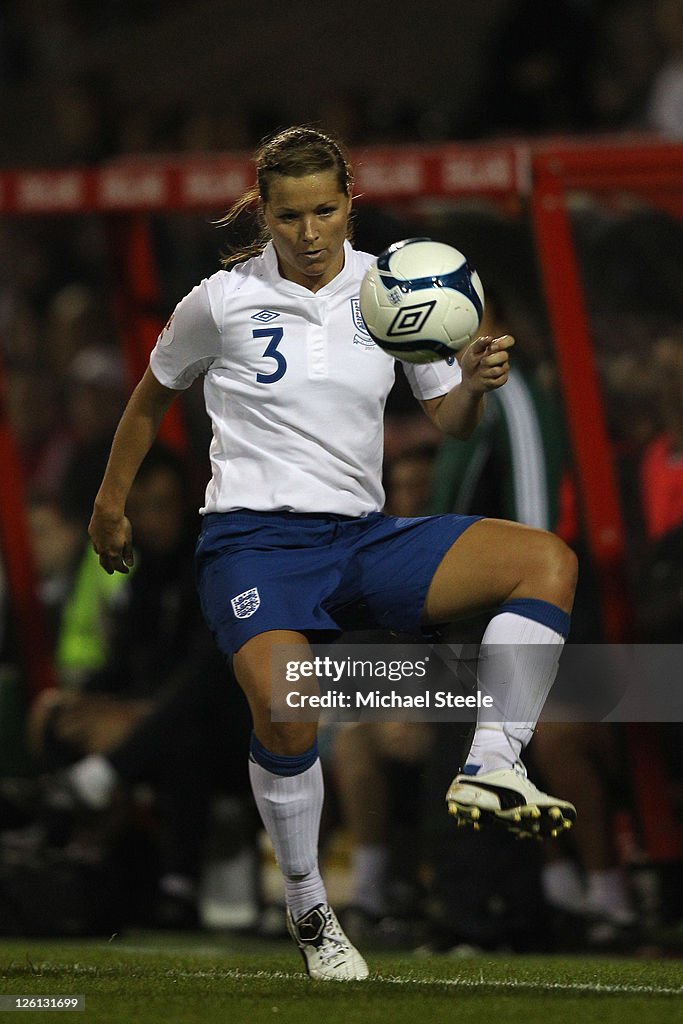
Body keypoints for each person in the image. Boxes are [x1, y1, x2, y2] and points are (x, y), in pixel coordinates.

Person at [87, 126, 578, 981]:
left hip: (360, 538)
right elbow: (147, 403)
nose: (309, 233)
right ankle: (311, 910)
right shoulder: (219, 301)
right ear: (262, 213)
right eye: (288, 216)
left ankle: (491, 766)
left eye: (324, 210)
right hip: (252, 543)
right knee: (288, 708)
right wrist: (109, 504)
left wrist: (476, 384)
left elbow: (445, 419)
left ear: (349, 201)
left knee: (546, 563)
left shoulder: (391, 288)